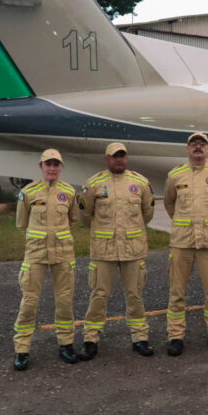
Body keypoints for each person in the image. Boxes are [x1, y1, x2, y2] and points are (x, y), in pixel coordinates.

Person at [79, 142, 156, 359]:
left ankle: (140, 338)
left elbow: (147, 213)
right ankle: (91, 339)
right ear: (107, 159)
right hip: (104, 250)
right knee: (99, 295)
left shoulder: (140, 183)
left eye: (122, 156)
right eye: (115, 156)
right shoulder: (93, 184)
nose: (119, 159)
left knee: (135, 295)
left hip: (133, 249)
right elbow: (86, 215)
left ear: (127, 158)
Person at [162, 132, 208, 355]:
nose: (198, 147)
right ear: (187, 149)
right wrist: (183, 225)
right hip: (182, 243)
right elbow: (169, 204)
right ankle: (175, 337)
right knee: (177, 293)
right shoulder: (175, 175)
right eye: (193, 144)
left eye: (202, 144)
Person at [12, 149, 79, 371]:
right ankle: (22, 349)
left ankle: (66, 344)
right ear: (41, 166)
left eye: (56, 164)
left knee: (64, 301)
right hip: (36, 253)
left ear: (61, 167)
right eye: (48, 164)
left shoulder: (68, 192)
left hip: (62, 253)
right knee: (29, 302)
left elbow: (74, 221)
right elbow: (22, 224)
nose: (52, 168)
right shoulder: (28, 192)